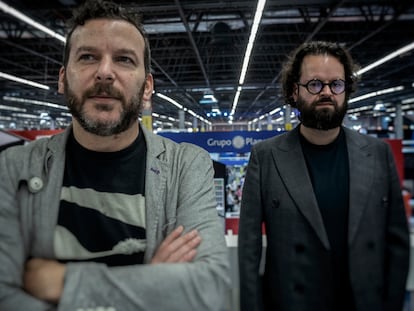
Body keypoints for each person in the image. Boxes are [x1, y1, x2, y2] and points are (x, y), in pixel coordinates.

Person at [0, 1, 230, 310]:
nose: (105, 72)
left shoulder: (186, 166)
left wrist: (65, 283)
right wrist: (152, 281)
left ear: (147, 87)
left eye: (123, 59)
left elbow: (209, 289)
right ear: (63, 78)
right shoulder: (13, 168)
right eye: (88, 57)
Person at [238, 41, 409, 311]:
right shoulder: (266, 156)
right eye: (315, 84)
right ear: (295, 91)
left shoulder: (378, 154)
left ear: (346, 89)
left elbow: (398, 244)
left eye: (336, 84)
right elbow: (248, 250)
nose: (327, 92)